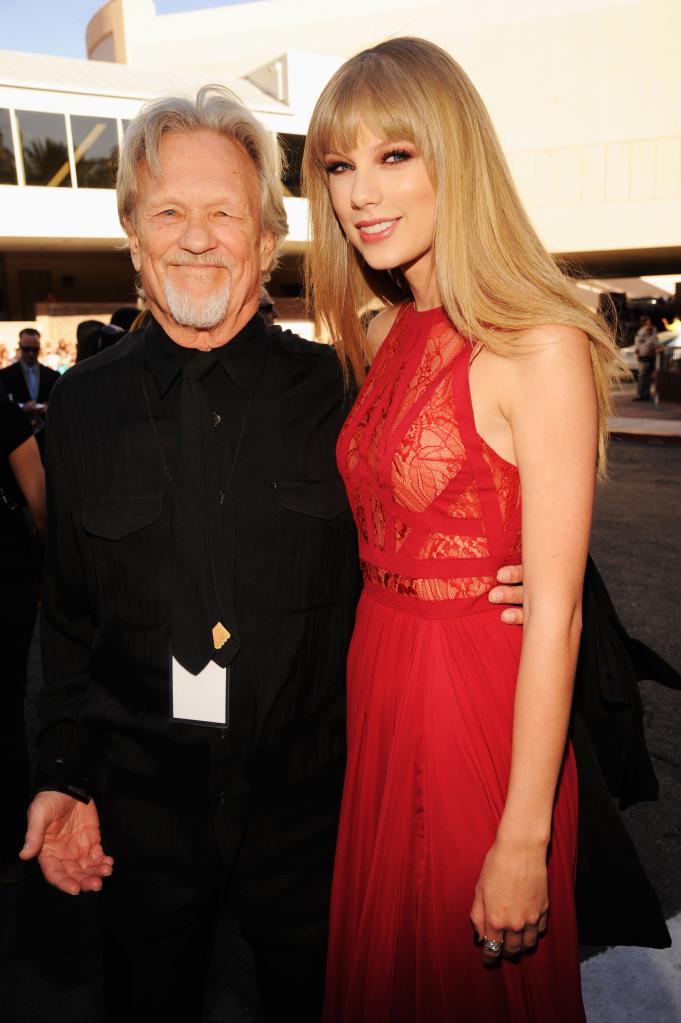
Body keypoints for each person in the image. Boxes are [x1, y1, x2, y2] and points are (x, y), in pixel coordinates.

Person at [19, 85, 525, 1023]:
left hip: (316, 823)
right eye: (169, 210)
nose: (196, 236)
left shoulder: (344, 391)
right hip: (142, 822)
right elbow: (69, 617)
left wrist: (515, 571)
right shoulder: (80, 408)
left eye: (224, 213)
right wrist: (63, 775)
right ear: (133, 233)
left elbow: (455, 503)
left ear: (267, 238)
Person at [302, 37, 625, 1022]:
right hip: (383, 673)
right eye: (340, 164)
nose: (361, 191)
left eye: (394, 155)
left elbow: (558, 615)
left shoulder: (542, 343)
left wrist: (523, 837)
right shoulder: (385, 328)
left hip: (476, 701)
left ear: (456, 157)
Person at [0, 383, 46, 883]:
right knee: (7, 702)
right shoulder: (5, 412)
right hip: (8, 573)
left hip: (9, 575)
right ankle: (11, 826)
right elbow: (40, 505)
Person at [0, 328, 60, 408]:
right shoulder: (5, 375)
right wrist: (22, 407)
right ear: (20, 346)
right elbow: (3, 404)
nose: (31, 353)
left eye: (35, 349)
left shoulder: (52, 375)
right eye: (26, 349)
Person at [633, 315, 658, 401]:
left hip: (650, 356)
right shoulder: (641, 332)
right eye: (647, 323)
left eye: (650, 323)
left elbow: (655, 343)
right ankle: (640, 395)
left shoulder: (653, 331)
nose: (649, 325)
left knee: (648, 377)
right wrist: (638, 352)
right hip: (643, 356)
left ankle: (646, 394)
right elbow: (637, 344)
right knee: (642, 376)